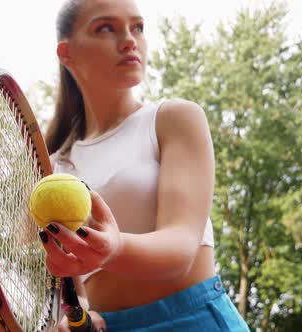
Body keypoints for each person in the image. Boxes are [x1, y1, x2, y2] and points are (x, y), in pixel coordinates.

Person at [38, 0, 250, 331]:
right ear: (67, 53)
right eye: (106, 28)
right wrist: (76, 316)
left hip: (193, 320)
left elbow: (181, 249)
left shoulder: (175, 118)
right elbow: (74, 287)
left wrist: (115, 247)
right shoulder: (53, 167)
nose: (129, 40)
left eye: (138, 27)